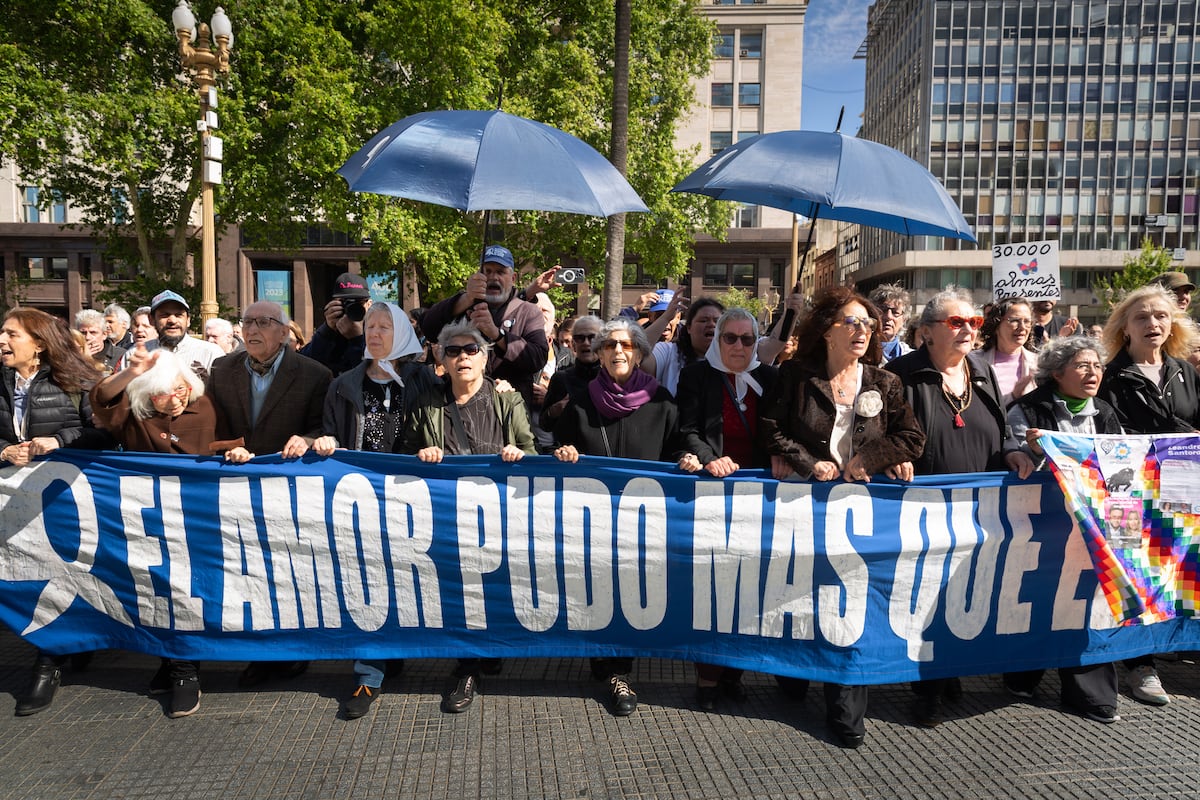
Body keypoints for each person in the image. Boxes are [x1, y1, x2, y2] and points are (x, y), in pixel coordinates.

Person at [758, 287, 925, 748]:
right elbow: (770, 428)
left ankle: (846, 711)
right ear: (827, 329)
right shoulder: (794, 375)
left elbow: (912, 437)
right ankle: (792, 677)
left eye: (868, 324)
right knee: (803, 597)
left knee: (852, 604)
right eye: (851, 322)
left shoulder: (884, 382)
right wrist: (809, 463)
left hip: (862, 515)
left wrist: (869, 459)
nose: (862, 331)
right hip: (806, 509)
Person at [886, 287, 1034, 727]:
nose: (968, 329)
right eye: (956, 323)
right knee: (928, 593)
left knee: (969, 591)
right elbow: (878, 433)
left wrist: (1011, 451)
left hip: (981, 507)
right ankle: (926, 687)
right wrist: (892, 454)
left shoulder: (982, 369)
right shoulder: (900, 375)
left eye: (973, 321)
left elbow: (1003, 427)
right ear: (927, 332)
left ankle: (948, 670)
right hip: (922, 507)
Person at [89, 347, 249, 718]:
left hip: (196, 520)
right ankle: (172, 660)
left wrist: (236, 452)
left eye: (181, 390)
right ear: (148, 394)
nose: (176, 400)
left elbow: (224, 441)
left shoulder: (205, 407)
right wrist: (132, 373)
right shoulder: (134, 412)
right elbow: (100, 400)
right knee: (157, 590)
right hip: (147, 520)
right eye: (165, 393)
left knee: (187, 591)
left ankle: (184, 671)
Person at [312, 302, 441, 719]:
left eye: (386, 326)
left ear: (402, 333)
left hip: (412, 501)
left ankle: (393, 654)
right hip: (360, 503)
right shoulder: (344, 383)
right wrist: (322, 441)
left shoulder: (423, 380)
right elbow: (329, 430)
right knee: (369, 583)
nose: (375, 333)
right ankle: (368, 674)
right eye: (370, 326)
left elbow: (456, 405)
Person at [401, 321, 536, 714]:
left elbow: (532, 452)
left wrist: (519, 454)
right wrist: (421, 455)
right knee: (462, 594)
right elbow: (405, 454)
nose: (463, 357)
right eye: (454, 351)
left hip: (499, 515)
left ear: (485, 357)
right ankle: (468, 666)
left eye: (471, 349)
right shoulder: (426, 404)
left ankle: (487, 652)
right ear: (441, 360)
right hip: (447, 518)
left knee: (492, 588)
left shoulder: (507, 400)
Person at [553, 318, 682, 717]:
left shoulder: (662, 403)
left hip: (645, 525)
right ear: (601, 354)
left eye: (626, 345)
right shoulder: (580, 401)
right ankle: (613, 672)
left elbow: (678, 449)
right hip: (594, 526)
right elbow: (558, 443)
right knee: (603, 594)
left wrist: (687, 458)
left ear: (640, 354)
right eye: (610, 346)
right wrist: (563, 453)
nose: (618, 352)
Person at [207, 300, 333, 688]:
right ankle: (262, 650)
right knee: (250, 572)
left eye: (264, 322)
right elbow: (211, 426)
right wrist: (229, 447)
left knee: (291, 573)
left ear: (284, 331)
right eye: (247, 322)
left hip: (290, 491)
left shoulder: (315, 374)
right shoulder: (221, 369)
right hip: (237, 487)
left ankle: (294, 652)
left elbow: (323, 427)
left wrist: (307, 439)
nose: (253, 329)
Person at [0, 308, 114, 716]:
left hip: (66, 503)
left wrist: (59, 440)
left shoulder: (81, 382)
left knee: (67, 575)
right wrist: (4, 450)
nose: (2, 340)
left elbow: (104, 433)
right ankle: (56, 651)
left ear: (40, 343)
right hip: (15, 507)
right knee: (30, 579)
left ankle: (51, 662)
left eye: (12, 334)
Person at [1003, 336, 1123, 724]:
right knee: (1038, 595)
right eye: (1083, 366)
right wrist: (1026, 452)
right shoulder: (1027, 410)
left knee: (1086, 600)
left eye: (1097, 366)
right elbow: (1010, 449)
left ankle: (1090, 692)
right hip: (1041, 524)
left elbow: (1120, 460)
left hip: (1091, 526)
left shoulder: (1105, 411)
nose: (1093, 373)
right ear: (1057, 373)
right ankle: (1023, 673)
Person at [1096, 284, 1200, 707]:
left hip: (1183, 490)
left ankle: (1179, 646)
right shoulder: (1108, 375)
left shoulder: (1185, 371)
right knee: (1138, 575)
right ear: (1124, 327)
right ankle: (1140, 663)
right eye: (1141, 317)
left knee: (1181, 571)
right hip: (1130, 495)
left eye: (1160, 315)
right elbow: (1106, 435)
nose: (1153, 323)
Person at [675, 308, 780, 714]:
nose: (738, 346)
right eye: (730, 338)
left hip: (761, 501)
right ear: (717, 340)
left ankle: (735, 673)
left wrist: (781, 457)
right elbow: (687, 430)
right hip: (714, 496)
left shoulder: (770, 379)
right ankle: (706, 678)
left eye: (747, 339)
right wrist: (708, 457)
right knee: (714, 588)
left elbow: (780, 430)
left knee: (751, 587)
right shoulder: (696, 376)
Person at [420, 244, 549, 411]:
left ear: (513, 278)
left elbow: (537, 358)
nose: (493, 278)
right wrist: (466, 299)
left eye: (500, 272)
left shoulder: (528, 312)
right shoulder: (464, 306)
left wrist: (497, 335)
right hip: (460, 409)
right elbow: (428, 327)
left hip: (509, 413)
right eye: (487, 271)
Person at [642, 297, 725, 394]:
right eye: (703, 320)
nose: (711, 324)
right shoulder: (668, 352)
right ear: (689, 327)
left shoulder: (734, 358)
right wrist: (665, 318)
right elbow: (637, 357)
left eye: (717, 321)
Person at [141, 290, 225, 379]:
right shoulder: (136, 354)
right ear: (152, 320)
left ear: (188, 320)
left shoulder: (210, 353)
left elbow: (225, 390)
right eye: (165, 315)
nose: (172, 321)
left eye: (178, 315)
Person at [540, 315, 603, 433]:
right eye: (580, 338)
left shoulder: (611, 378)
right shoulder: (560, 379)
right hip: (569, 450)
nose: (586, 342)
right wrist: (555, 410)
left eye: (592, 337)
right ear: (573, 344)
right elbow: (544, 424)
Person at [300, 272, 370, 376]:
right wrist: (327, 329)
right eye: (345, 302)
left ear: (369, 304)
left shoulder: (376, 334)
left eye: (358, 303)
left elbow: (374, 373)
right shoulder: (329, 335)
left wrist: (357, 340)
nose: (352, 308)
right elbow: (304, 364)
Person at [977, 297, 1038, 406]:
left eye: (1027, 321)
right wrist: (1013, 397)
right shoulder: (973, 361)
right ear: (996, 325)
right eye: (1014, 320)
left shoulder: (1039, 364)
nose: (1022, 327)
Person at [868, 283, 913, 365]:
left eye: (895, 312)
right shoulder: (860, 353)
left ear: (904, 319)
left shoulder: (912, 357)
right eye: (882, 310)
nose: (888, 317)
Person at [74, 309, 125, 373]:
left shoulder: (120, 355)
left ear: (104, 334)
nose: (87, 337)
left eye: (93, 332)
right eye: (83, 333)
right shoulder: (72, 355)